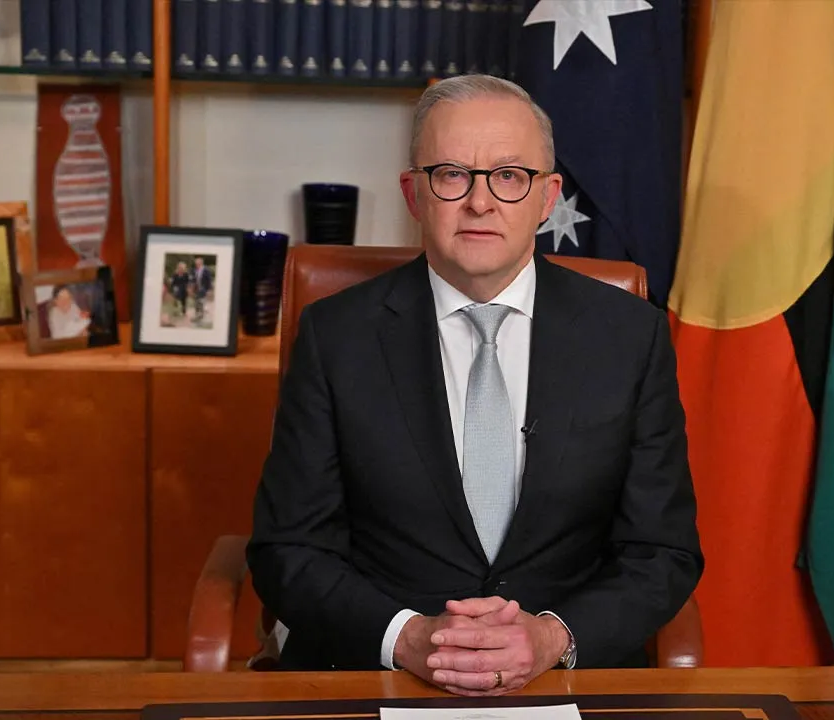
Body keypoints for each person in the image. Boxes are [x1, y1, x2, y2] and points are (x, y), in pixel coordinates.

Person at [246, 74, 703, 696]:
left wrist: (552, 638)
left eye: (509, 176)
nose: (480, 203)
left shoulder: (630, 336)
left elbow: (662, 551)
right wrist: (407, 638)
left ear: (548, 198)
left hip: (564, 679)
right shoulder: (336, 336)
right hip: (375, 672)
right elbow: (288, 549)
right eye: (451, 174)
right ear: (413, 193)